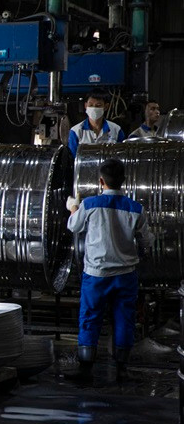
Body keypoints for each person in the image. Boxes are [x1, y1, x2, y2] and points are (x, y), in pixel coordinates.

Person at [66, 158, 153, 382]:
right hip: (126, 275)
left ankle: (86, 370)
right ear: (124, 181)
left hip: (97, 274)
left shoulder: (90, 204)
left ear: (101, 181)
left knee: (90, 317)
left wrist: (73, 207)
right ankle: (122, 368)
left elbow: (74, 226)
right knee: (124, 318)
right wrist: (139, 254)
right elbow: (146, 241)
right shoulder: (136, 209)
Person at [67, 90, 125, 158]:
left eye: (98, 105)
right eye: (90, 105)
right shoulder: (76, 131)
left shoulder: (116, 130)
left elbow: (121, 156)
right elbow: (73, 158)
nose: (94, 108)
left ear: (106, 107)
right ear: (85, 106)